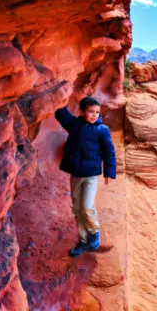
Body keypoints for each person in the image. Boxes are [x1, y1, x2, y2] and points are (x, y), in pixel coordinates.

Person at [55, 96, 116, 257]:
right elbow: (61, 114)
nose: (95, 115)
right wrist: (59, 95)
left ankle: (94, 234)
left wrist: (109, 172)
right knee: (77, 209)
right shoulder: (75, 125)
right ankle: (83, 240)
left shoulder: (102, 130)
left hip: (91, 176)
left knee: (87, 207)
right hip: (75, 174)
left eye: (97, 112)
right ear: (82, 112)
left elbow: (109, 152)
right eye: (91, 112)